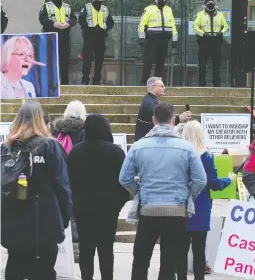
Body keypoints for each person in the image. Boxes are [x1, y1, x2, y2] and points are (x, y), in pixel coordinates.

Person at [119, 102, 207, 279]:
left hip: (148, 209)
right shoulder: (187, 148)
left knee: (141, 261)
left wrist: (139, 192)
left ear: (153, 120)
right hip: (176, 211)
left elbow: (124, 178)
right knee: (169, 263)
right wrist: (187, 195)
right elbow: (200, 180)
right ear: (173, 121)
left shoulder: (138, 146)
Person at [1, 101, 72, 280]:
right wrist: (63, 218)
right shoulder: (49, 146)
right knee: (43, 271)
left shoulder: (5, 148)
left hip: (13, 220)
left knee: (15, 267)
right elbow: (62, 186)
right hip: (43, 220)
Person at [67, 114, 129, 280]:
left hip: (83, 210)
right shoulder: (116, 152)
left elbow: (69, 181)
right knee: (106, 250)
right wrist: (118, 204)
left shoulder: (76, 151)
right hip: (108, 211)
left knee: (86, 249)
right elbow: (124, 182)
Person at [171, 120, 235, 280]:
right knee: (199, 249)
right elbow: (213, 183)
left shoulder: (177, 153)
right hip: (201, 206)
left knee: (181, 249)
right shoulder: (207, 156)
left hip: (180, 205)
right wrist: (228, 180)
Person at [39, 0, 77, 85]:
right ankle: (51, 82)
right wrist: (54, 24)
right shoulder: (46, 6)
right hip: (51, 35)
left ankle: (65, 82)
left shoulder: (67, 6)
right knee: (50, 59)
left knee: (64, 59)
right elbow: (42, 19)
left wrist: (68, 24)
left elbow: (73, 19)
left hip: (64, 35)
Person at [138, 0, 178, 85]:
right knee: (148, 61)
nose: (161, 0)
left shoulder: (168, 9)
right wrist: (141, 37)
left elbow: (173, 25)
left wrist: (174, 38)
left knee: (161, 62)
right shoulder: (149, 9)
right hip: (152, 38)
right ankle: (144, 81)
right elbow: (142, 23)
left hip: (164, 38)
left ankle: (157, 83)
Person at [134, 77, 191, 141]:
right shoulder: (151, 103)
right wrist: (180, 118)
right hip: (149, 142)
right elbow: (164, 122)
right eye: (161, 86)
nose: (164, 88)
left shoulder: (149, 100)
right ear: (153, 87)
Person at [79, 0, 115, 85]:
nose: (99, 0)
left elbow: (110, 22)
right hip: (89, 36)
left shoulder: (105, 9)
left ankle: (96, 80)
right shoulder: (87, 7)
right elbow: (81, 19)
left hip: (101, 36)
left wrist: (105, 28)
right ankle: (85, 80)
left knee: (99, 60)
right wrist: (86, 28)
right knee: (87, 59)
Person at [193, 0, 228, 87]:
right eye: (209, 3)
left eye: (212, 3)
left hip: (216, 41)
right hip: (204, 41)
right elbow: (195, 27)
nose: (211, 5)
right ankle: (201, 84)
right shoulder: (200, 15)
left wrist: (221, 32)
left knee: (216, 64)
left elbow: (226, 26)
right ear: (205, 5)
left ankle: (216, 84)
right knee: (202, 64)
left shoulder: (220, 15)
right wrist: (203, 34)